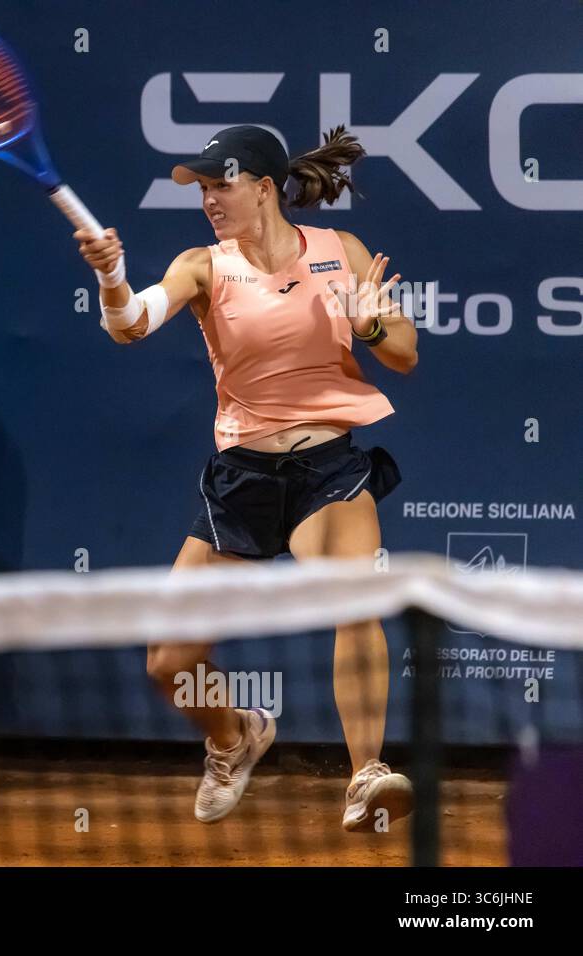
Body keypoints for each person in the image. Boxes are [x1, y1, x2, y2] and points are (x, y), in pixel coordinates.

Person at [74, 126, 418, 831]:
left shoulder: (339, 252)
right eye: (201, 189)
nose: (208, 199)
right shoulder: (203, 266)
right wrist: (112, 276)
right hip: (244, 476)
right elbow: (133, 323)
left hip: (330, 469)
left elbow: (407, 354)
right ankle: (234, 735)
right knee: (169, 659)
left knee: (355, 598)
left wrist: (372, 327)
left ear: (264, 187)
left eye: (219, 184)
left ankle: (365, 774)